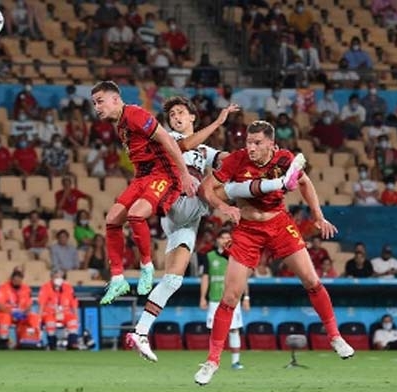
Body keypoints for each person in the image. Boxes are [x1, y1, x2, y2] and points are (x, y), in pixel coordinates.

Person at [126, 97, 303, 362]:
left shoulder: (205, 151)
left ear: (192, 117)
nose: (176, 117)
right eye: (172, 113)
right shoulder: (167, 137)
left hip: (186, 220)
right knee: (213, 187)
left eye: (181, 113)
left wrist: (264, 157)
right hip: (175, 200)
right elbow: (186, 146)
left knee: (173, 280)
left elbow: (228, 158)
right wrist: (219, 122)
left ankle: (140, 331)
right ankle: (278, 184)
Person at [194, 120, 354, 386]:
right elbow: (205, 188)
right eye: (248, 142)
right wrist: (224, 207)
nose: (251, 147)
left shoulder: (283, 159)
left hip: (279, 224)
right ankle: (212, 362)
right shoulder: (236, 160)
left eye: (257, 143)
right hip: (247, 230)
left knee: (312, 281)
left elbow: (304, 182)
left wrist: (318, 216)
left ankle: (335, 336)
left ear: (271, 143)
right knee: (230, 296)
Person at [90, 81, 197, 304]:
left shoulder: (135, 114)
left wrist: (185, 174)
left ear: (116, 99)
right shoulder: (119, 123)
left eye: (100, 101)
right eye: (94, 103)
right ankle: (118, 279)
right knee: (111, 220)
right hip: (142, 177)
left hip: (163, 174)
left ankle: (147, 267)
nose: (97, 107)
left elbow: (167, 139)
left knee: (136, 214)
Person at [201, 230, 249, 369]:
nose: (226, 240)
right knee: (214, 331)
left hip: (233, 299)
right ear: (217, 240)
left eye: (229, 237)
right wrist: (202, 297)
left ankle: (236, 362)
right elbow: (205, 278)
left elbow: (243, 278)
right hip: (215, 299)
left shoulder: (238, 256)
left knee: (234, 330)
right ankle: (213, 361)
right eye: (223, 237)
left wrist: (246, 297)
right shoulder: (209, 256)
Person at [0, 268, 41, 349]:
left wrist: (24, 313)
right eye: (15, 280)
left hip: (21, 315)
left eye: (19, 280)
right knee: (5, 318)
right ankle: (3, 341)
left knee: (34, 317)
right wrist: (12, 312)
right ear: (12, 279)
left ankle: (31, 341)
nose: (17, 282)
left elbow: (29, 305)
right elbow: (1, 306)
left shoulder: (26, 289)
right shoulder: (3, 288)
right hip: (6, 313)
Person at [38, 270, 79, 350]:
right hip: (50, 313)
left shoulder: (68, 287)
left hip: (65, 313)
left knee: (73, 321)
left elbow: (74, 303)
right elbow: (42, 304)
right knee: (50, 322)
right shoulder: (45, 287)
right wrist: (39, 318)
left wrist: (76, 316)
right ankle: (52, 344)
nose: (58, 279)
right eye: (56, 277)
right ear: (52, 277)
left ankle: (72, 343)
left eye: (60, 277)